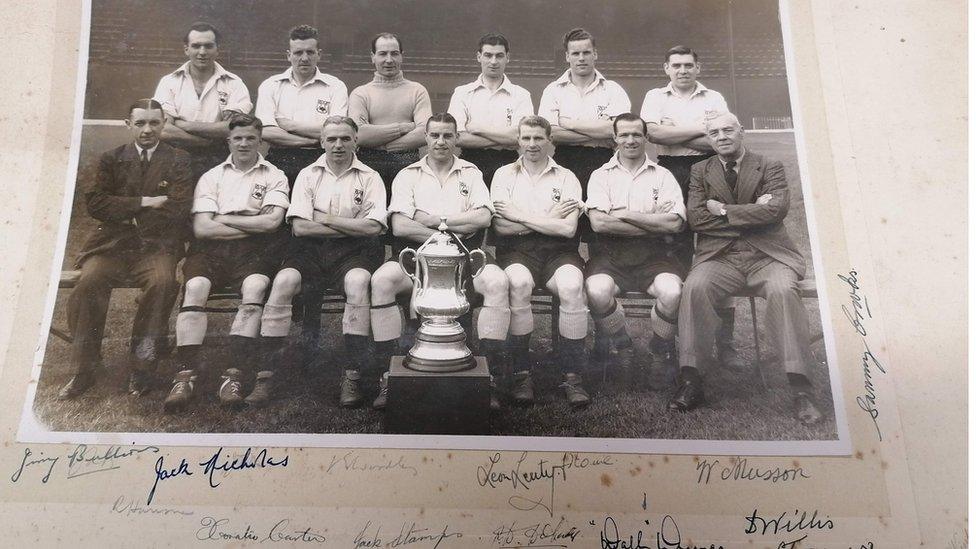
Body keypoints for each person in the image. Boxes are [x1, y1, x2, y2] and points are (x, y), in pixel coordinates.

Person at [673, 111, 823, 425]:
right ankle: (691, 380)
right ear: (709, 138)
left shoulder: (769, 165)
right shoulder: (700, 170)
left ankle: (800, 388)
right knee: (694, 287)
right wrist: (753, 212)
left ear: (742, 132)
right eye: (714, 132)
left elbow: (776, 210)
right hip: (721, 257)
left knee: (783, 290)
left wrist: (724, 210)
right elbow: (697, 219)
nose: (722, 136)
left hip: (768, 256)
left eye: (728, 130)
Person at [369, 113, 510, 410]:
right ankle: (388, 375)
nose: (441, 141)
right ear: (425, 138)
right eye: (435, 135)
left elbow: (483, 217)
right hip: (416, 257)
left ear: (457, 139)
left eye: (448, 135)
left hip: (464, 256)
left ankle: (490, 377)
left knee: (497, 282)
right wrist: (447, 233)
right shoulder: (408, 174)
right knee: (381, 281)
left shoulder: (471, 173)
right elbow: (400, 226)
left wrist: (436, 220)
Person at [58, 99, 193, 400]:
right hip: (113, 247)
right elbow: (95, 203)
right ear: (128, 124)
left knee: (163, 283)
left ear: (164, 124)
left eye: (154, 123)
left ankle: (142, 367)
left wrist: (123, 210)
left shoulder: (179, 159)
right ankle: (85, 369)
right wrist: (144, 202)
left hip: (156, 246)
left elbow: (179, 207)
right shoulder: (111, 159)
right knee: (88, 281)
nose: (147, 130)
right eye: (141, 123)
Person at [258, 116, 387, 408]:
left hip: (354, 253)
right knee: (283, 282)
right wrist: (349, 224)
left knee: (358, 283)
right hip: (309, 251)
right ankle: (265, 373)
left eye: (345, 138)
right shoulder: (307, 174)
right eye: (331, 139)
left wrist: (325, 218)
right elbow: (301, 228)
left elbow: (373, 228)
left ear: (356, 141)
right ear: (322, 142)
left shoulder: (370, 177)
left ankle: (352, 374)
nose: (338, 145)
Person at [164, 115, 289, 413]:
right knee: (195, 287)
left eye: (250, 138)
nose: (244, 143)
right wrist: (250, 222)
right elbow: (203, 229)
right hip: (210, 250)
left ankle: (233, 375)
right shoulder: (211, 176)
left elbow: (272, 223)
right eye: (238, 138)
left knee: (256, 286)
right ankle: (185, 375)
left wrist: (224, 218)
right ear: (228, 141)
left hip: (254, 251)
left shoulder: (275, 175)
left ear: (261, 141)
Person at [640, 45, 739, 367]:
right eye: (676, 65)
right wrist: (702, 130)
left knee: (720, 248)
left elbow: (720, 139)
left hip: (712, 169)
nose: (682, 70)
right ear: (666, 68)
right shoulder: (656, 96)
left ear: (699, 68)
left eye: (688, 65)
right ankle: (676, 339)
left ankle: (726, 343)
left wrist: (678, 135)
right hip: (672, 170)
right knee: (677, 248)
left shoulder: (714, 98)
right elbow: (654, 135)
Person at [491, 115, 590, 408]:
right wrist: (548, 219)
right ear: (517, 141)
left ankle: (572, 375)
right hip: (517, 252)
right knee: (518, 283)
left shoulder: (567, 177)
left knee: (572, 287)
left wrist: (518, 215)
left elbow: (568, 229)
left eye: (538, 138)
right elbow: (500, 228)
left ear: (550, 142)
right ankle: (522, 373)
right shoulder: (503, 175)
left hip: (560, 252)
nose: (532, 144)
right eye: (526, 138)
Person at [584, 113, 685, 382]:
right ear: (614, 138)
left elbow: (675, 224)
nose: (631, 140)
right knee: (596, 290)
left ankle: (659, 350)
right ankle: (622, 343)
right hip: (611, 256)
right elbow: (599, 224)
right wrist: (653, 221)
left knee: (673, 292)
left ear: (646, 137)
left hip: (655, 257)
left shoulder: (663, 176)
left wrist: (624, 213)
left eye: (636, 134)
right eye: (624, 135)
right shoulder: (600, 176)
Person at [538, 28, 631, 200]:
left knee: (599, 218)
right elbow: (551, 133)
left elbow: (619, 131)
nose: (581, 58)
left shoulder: (613, 90)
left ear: (595, 54)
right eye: (575, 53)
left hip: (603, 161)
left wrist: (568, 124)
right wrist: (599, 130)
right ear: (567, 56)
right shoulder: (553, 90)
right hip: (564, 160)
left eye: (586, 52)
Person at [153, 22, 253, 180]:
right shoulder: (169, 82)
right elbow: (163, 130)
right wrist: (206, 141)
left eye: (208, 46)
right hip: (175, 158)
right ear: (186, 49)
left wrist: (182, 124)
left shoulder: (234, 83)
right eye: (196, 46)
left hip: (218, 160)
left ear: (217, 49)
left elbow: (234, 129)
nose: (202, 52)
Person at [255, 24, 349, 186]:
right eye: (298, 52)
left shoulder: (336, 86)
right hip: (280, 159)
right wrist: (312, 140)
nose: (304, 58)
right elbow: (266, 132)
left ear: (319, 54)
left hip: (322, 160)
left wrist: (288, 125)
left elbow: (336, 131)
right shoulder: (270, 85)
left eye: (310, 52)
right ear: (288, 55)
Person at [348, 32, 432, 194]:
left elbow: (425, 133)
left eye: (394, 53)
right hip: (369, 162)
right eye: (382, 54)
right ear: (373, 57)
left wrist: (383, 145)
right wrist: (403, 128)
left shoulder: (417, 90)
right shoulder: (361, 93)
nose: (389, 60)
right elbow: (360, 135)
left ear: (402, 56)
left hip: (407, 161)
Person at [447, 32, 534, 187]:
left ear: (508, 57)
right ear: (479, 57)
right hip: (469, 162)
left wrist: (477, 129)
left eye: (499, 56)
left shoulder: (521, 94)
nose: (493, 61)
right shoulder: (462, 93)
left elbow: (520, 139)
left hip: (508, 163)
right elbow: (458, 138)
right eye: (488, 55)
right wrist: (505, 138)